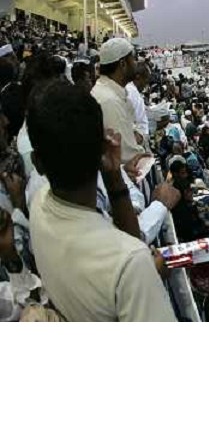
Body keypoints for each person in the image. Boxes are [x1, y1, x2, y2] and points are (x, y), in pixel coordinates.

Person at [27, 81, 176, 322]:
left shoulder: (37, 206)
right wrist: (151, 275)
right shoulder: (131, 265)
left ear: (37, 162)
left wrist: (115, 177)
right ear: (102, 148)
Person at [91, 38, 145, 164]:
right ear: (123, 64)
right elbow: (130, 156)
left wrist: (138, 136)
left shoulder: (111, 91)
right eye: (133, 59)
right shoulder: (109, 100)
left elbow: (134, 134)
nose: (136, 63)